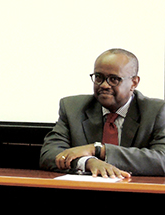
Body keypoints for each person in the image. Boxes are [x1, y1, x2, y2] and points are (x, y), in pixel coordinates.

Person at [40, 48, 165, 177]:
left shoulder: (156, 111)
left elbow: (162, 160)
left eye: (114, 79)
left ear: (134, 82)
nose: (104, 85)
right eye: (98, 77)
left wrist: (98, 149)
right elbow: (49, 153)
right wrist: (87, 162)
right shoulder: (73, 108)